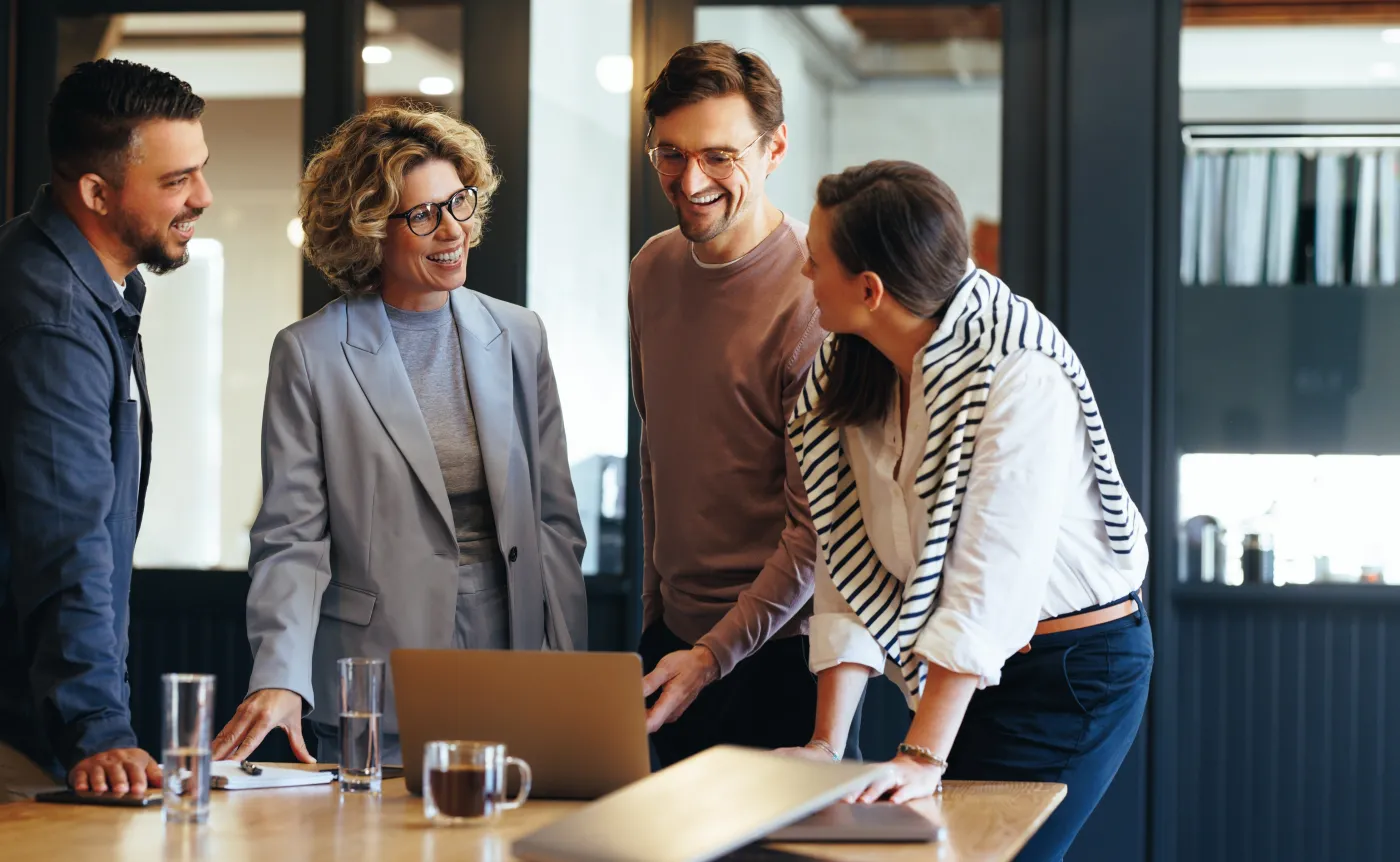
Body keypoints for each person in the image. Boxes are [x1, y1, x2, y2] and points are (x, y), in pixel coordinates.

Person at [780, 160, 1152, 861]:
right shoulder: (852, 363)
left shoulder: (1018, 370)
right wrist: (826, 744)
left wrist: (922, 754)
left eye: (816, 261)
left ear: (870, 289)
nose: (804, 273)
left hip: (1071, 672)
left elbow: (991, 583)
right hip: (966, 673)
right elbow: (847, 550)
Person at [211, 105, 588, 766]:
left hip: (513, 662)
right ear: (368, 230)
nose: (452, 230)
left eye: (459, 203)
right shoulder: (311, 353)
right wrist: (280, 674)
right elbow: (291, 538)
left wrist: (566, 669)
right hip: (375, 674)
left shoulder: (519, 334)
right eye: (422, 215)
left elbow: (555, 523)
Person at [630, 41, 856, 767]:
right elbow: (657, 457)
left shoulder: (816, 298)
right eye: (670, 154)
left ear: (775, 148)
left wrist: (713, 655)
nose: (691, 180)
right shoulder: (651, 268)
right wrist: (657, 623)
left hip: (782, 656)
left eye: (719, 156)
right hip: (671, 647)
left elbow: (816, 530)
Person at [0, 59, 211, 800]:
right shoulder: (53, 316)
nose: (203, 196)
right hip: (22, 729)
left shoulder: (86, 287)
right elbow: (67, 535)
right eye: (176, 180)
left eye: (201, 170)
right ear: (96, 192)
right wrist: (97, 728)